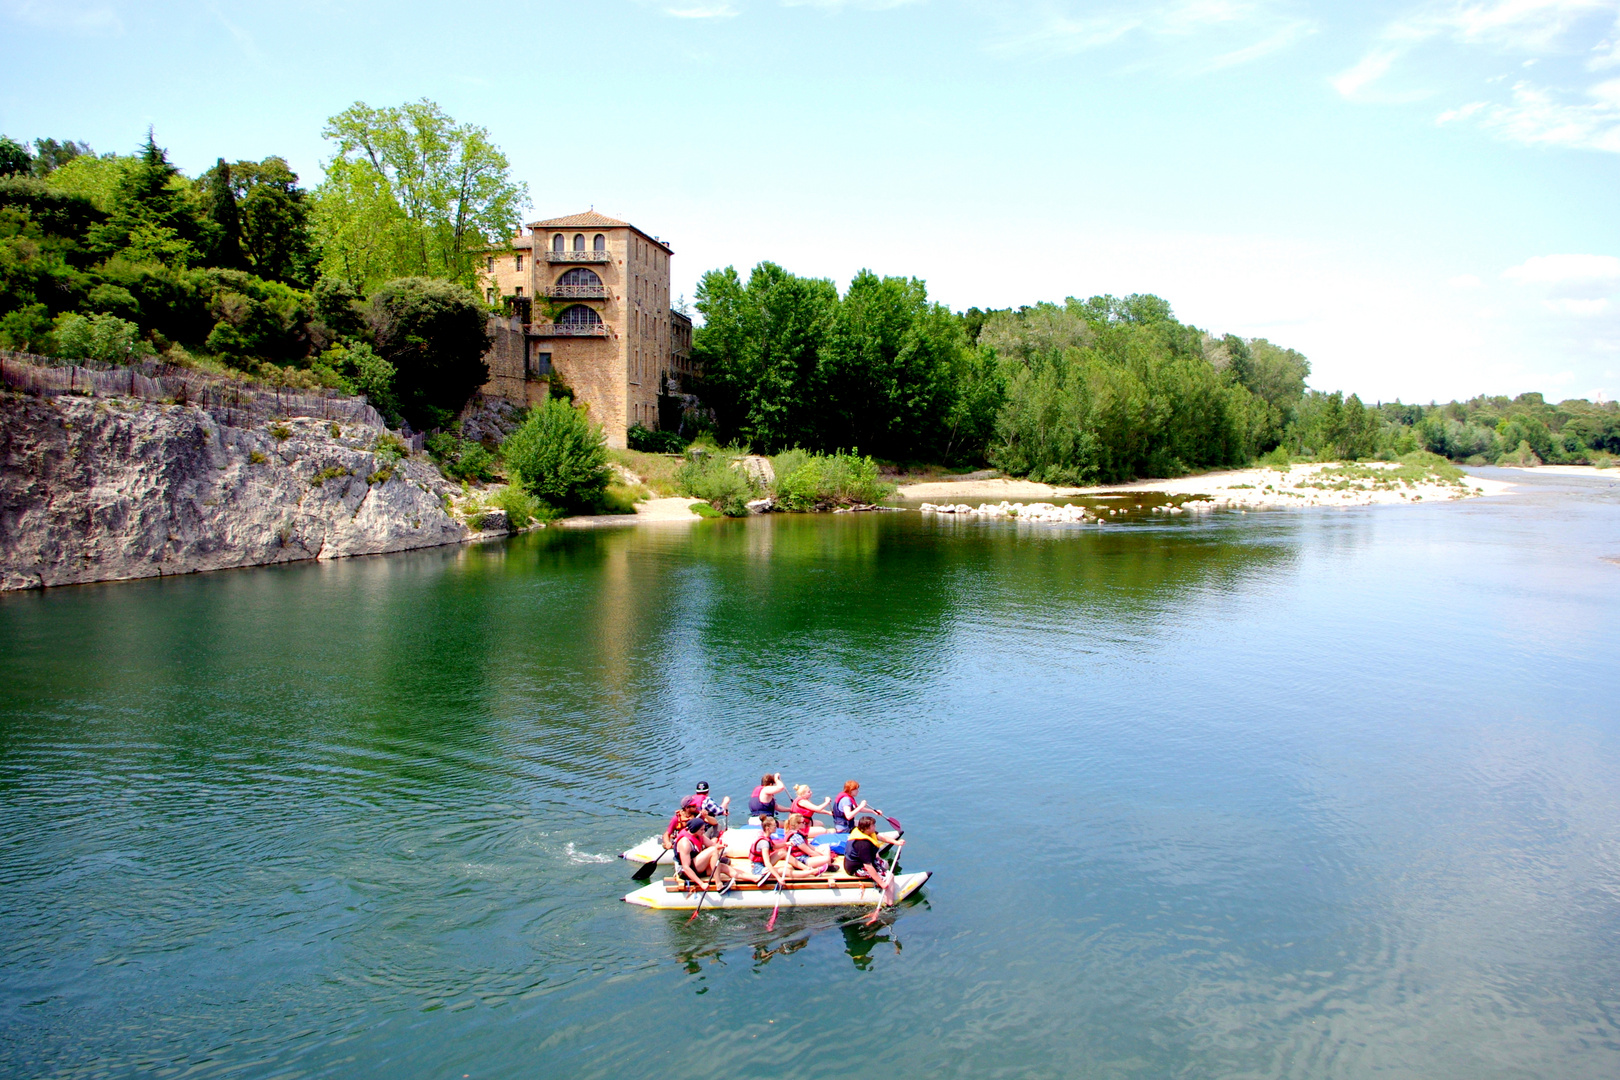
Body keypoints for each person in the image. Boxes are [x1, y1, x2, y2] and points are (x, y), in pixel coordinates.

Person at [843, 815, 902, 907]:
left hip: (865, 862)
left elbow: (881, 837)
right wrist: (882, 883)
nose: (875, 827)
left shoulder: (865, 832)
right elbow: (868, 866)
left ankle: (880, 880)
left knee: (885, 864)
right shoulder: (863, 844)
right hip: (856, 868)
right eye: (873, 826)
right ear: (867, 828)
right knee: (890, 876)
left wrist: (896, 842)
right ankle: (889, 905)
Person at [675, 809, 736, 892]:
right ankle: (719, 885)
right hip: (686, 872)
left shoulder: (698, 834)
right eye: (702, 830)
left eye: (704, 829)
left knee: (725, 866)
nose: (704, 832)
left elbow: (712, 845)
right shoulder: (685, 843)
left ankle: (755, 878)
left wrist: (720, 846)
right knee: (713, 851)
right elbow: (686, 867)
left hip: (697, 865)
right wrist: (701, 884)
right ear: (695, 829)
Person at [781, 813, 835, 878]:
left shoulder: (799, 833)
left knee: (825, 847)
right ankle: (827, 865)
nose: (805, 824)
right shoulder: (795, 837)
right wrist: (824, 857)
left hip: (805, 857)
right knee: (827, 858)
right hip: (800, 861)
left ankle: (827, 865)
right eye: (803, 822)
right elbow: (810, 852)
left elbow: (811, 847)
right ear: (797, 824)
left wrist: (820, 851)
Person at [749, 815, 788, 888]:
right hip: (759, 868)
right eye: (774, 826)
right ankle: (808, 873)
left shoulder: (766, 836)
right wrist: (778, 878)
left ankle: (804, 868)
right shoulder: (764, 843)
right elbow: (767, 863)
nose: (776, 827)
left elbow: (773, 847)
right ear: (768, 828)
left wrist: (786, 844)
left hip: (761, 863)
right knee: (783, 870)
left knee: (782, 852)